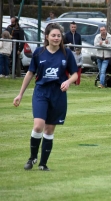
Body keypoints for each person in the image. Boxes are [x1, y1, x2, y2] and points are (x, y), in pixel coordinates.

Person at [13, 23, 78, 171]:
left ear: (61, 38)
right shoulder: (39, 53)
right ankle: (32, 157)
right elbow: (30, 73)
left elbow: (75, 73)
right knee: (38, 126)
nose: (56, 38)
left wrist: (68, 81)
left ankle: (43, 164)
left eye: (58, 36)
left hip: (58, 94)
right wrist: (20, 94)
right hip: (41, 92)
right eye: (53, 35)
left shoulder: (66, 53)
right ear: (47, 37)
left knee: (49, 130)